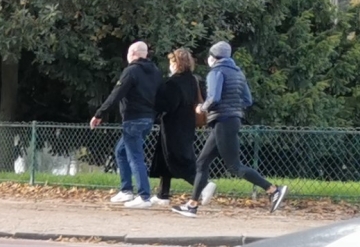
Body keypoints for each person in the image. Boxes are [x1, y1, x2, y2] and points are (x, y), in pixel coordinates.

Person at [175, 41, 288, 217]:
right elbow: (247, 100)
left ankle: (273, 190)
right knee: (202, 162)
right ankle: (192, 204)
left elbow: (214, 98)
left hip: (223, 120)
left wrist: (202, 108)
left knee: (234, 166)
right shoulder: (237, 73)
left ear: (212, 57)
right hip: (231, 119)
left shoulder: (216, 72)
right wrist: (233, 107)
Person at [89, 40, 164, 207]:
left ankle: (144, 196)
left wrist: (99, 114)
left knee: (135, 157)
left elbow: (117, 93)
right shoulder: (156, 72)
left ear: (133, 54)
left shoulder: (131, 71)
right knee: (121, 152)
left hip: (133, 119)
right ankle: (126, 190)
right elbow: (160, 95)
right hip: (148, 119)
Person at [150, 47, 203, 202]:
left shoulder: (173, 83)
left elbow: (168, 105)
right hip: (187, 122)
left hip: (172, 124)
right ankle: (163, 193)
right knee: (166, 158)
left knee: (175, 157)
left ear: (176, 64)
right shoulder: (192, 80)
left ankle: (202, 185)